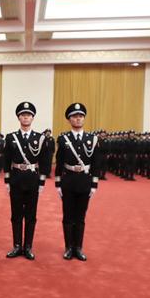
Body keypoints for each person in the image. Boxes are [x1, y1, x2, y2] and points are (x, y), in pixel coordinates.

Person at [4, 101, 51, 260]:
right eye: (23, 115)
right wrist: (7, 181)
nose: (26, 117)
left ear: (32, 118)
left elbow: (45, 161)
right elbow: (6, 161)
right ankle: (17, 245)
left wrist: (42, 181)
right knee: (16, 214)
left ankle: (28, 246)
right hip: (16, 178)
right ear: (19, 117)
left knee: (31, 215)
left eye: (29, 115)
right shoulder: (11, 138)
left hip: (32, 179)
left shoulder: (40, 138)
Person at [55, 103, 101, 261]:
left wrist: (94, 184)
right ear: (69, 120)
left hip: (84, 181)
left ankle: (78, 247)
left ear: (84, 119)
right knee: (68, 216)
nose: (78, 119)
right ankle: (68, 247)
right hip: (68, 181)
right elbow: (59, 162)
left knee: (80, 217)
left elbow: (96, 163)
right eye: (75, 116)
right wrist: (58, 183)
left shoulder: (92, 139)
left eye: (81, 116)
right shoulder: (63, 139)